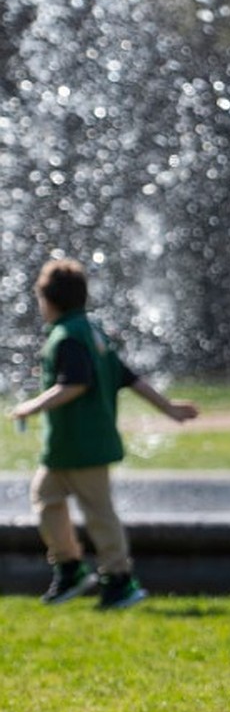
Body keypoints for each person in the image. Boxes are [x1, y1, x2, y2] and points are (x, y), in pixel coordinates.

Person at [9, 258, 199, 610]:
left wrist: (30, 407)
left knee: (99, 513)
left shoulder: (68, 337)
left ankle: (119, 579)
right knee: (45, 498)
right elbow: (130, 378)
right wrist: (168, 408)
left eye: (40, 300)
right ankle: (69, 565)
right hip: (66, 448)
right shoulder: (91, 331)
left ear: (49, 301)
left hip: (84, 446)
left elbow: (75, 384)